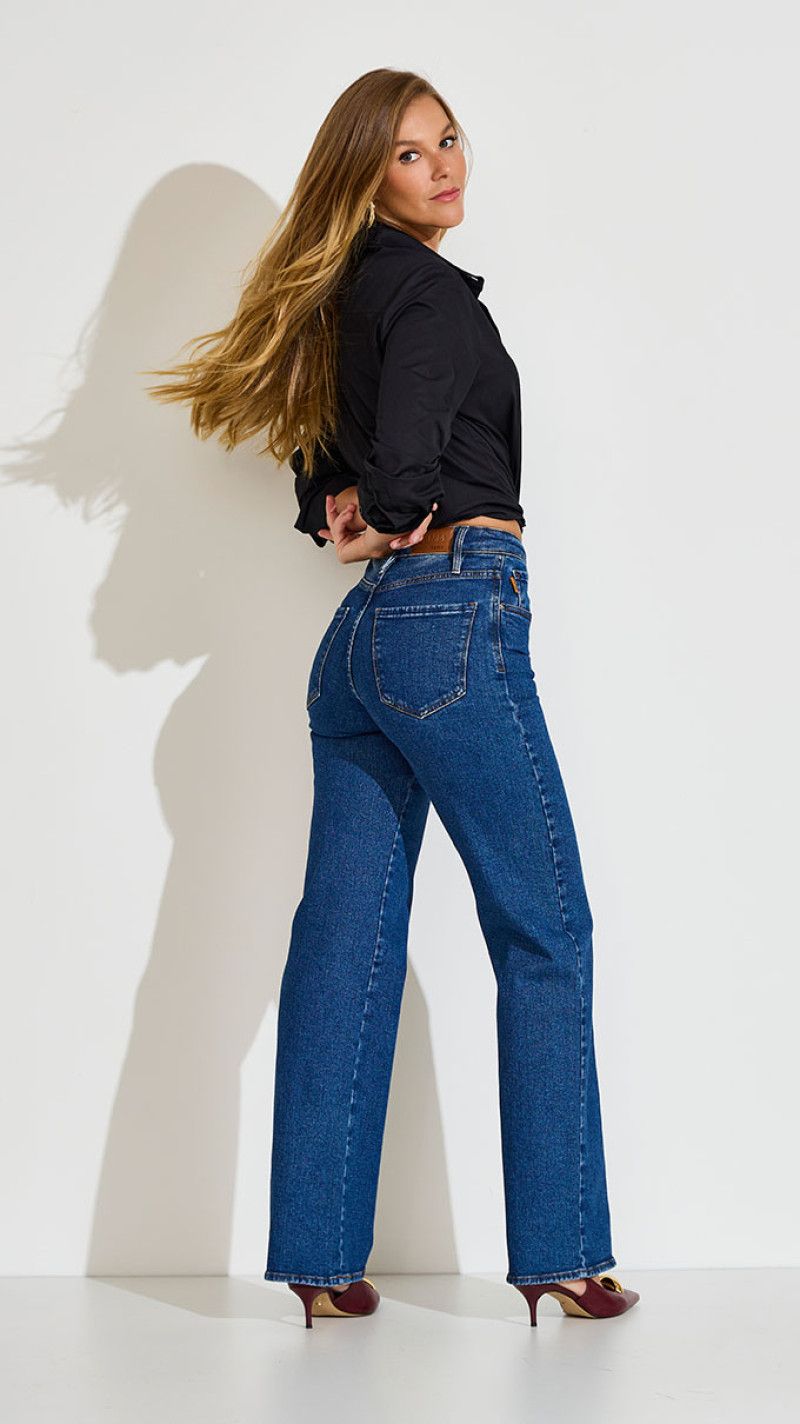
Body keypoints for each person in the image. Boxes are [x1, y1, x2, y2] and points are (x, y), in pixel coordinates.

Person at [144, 67, 639, 1331]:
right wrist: (400, 507)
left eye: (448, 140)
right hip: (454, 617)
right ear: (367, 176)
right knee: (544, 927)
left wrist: (356, 520)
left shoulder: (337, 304)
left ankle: (320, 1260)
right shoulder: (422, 292)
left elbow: (323, 495)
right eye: (412, 153)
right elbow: (403, 478)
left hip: (360, 646)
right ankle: (565, 1252)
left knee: (343, 943)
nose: (445, 165)